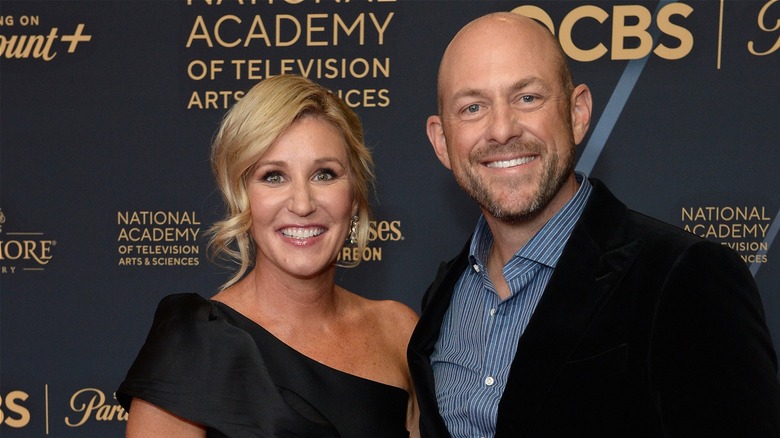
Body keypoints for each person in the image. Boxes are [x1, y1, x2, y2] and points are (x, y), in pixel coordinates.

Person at [407, 11, 780, 438]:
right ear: (442, 141)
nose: (502, 129)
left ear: (578, 113)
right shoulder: (444, 295)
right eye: (473, 107)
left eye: (527, 98)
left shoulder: (685, 277)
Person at [117, 74, 420, 437]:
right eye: (274, 176)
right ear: (242, 195)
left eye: (324, 174)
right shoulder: (193, 346)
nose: (302, 204)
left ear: (354, 196)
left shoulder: (397, 331)